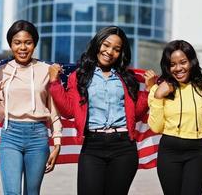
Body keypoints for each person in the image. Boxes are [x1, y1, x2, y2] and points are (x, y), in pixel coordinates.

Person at [48, 26, 156, 195]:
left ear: (121, 53)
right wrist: (54, 83)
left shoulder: (127, 78)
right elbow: (69, 111)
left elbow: (136, 114)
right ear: (97, 44)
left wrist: (149, 91)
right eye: (106, 45)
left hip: (124, 147)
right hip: (92, 146)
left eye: (116, 49)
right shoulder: (79, 76)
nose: (109, 51)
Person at [0, 20, 62, 195]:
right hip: (10, 135)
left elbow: (54, 111)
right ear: (11, 45)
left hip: (38, 137)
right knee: (12, 193)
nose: (23, 47)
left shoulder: (47, 70)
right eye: (17, 43)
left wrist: (57, 143)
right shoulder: (0, 71)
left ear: (35, 44)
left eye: (28, 42)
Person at [148, 40, 202, 195]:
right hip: (168, 152)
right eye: (172, 64)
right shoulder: (159, 90)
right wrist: (157, 96)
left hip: (196, 154)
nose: (178, 68)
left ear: (191, 62)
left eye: (183, 62)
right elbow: (156, 127)